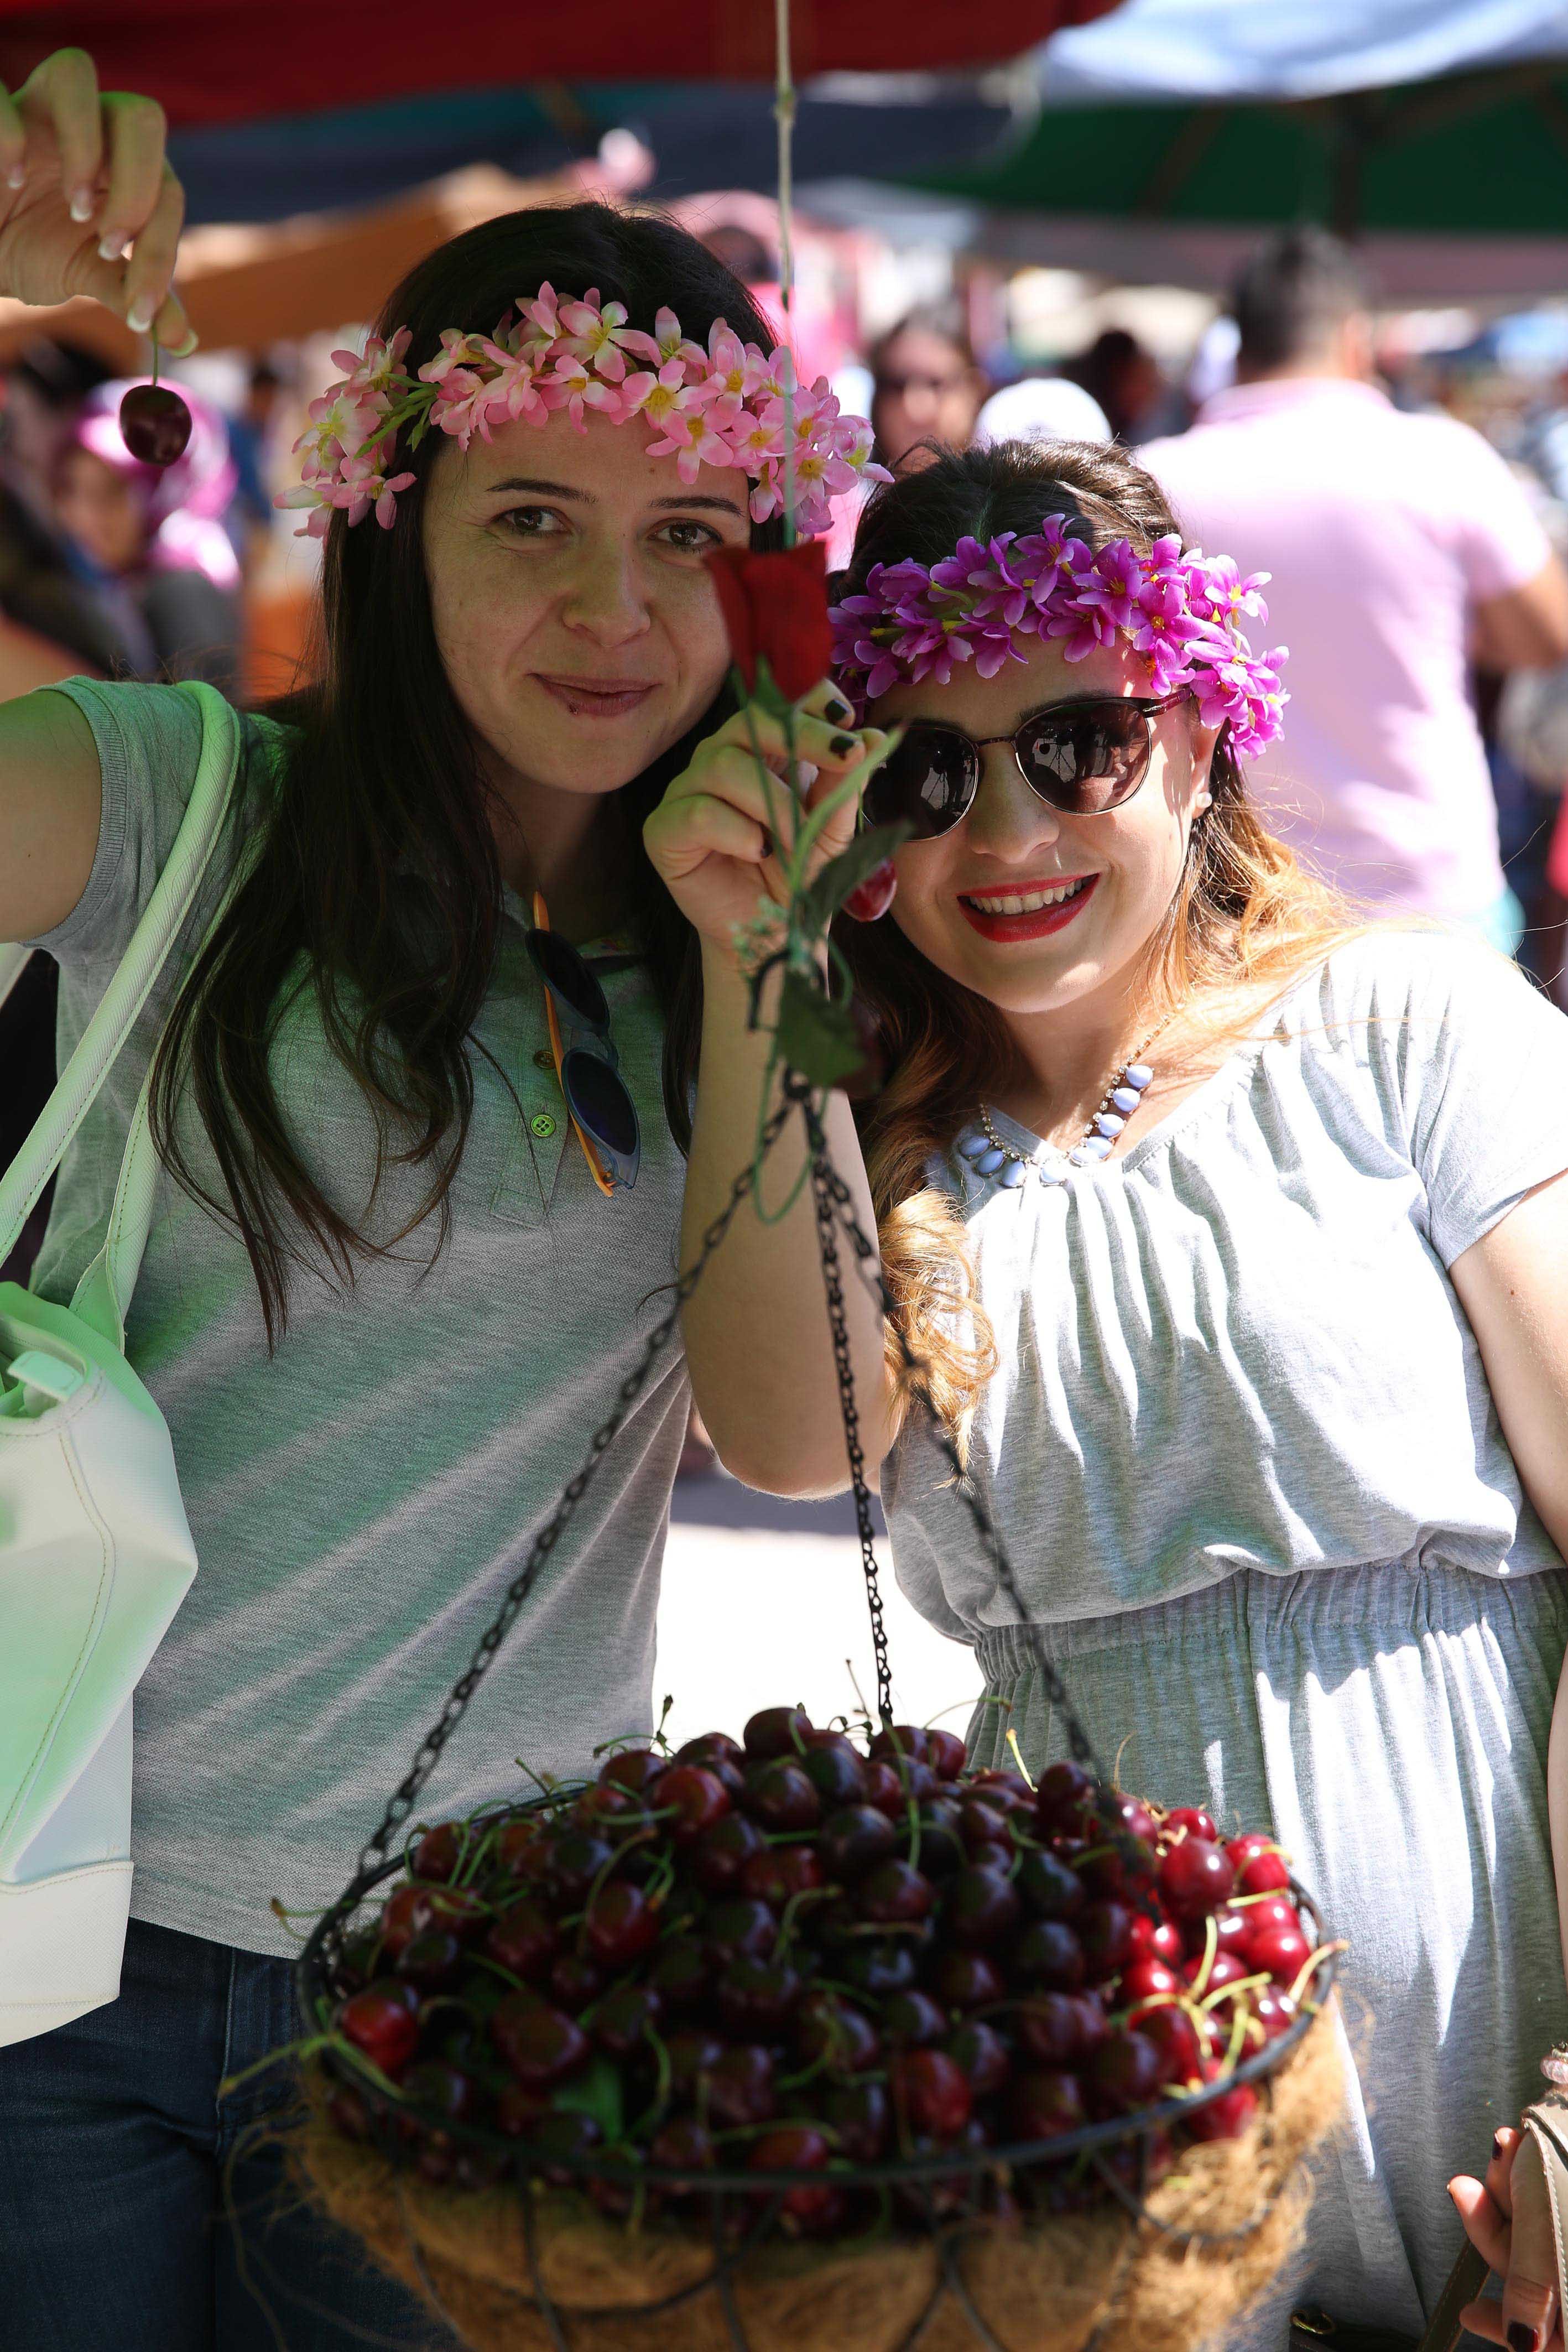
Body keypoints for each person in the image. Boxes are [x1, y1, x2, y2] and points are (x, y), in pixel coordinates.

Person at [0, 48, 883, 2351]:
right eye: (531, 520)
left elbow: (806, 1445)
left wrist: (749, 955)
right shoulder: (177, 802)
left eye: (689, 535)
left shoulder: (743, 922)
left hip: (488, 1987)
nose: (616, 608)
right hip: (43, 1929)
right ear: (400, 527)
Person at [669, 436, 1568, 2348]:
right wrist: (762, 960)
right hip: (1100, 2125)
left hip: (1513, 2102)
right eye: (921, 767)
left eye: (1075, 739)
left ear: (1196, 726)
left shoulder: (1406, 1027)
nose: (1004, 835)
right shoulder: (873, 1158)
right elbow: (781, 1435)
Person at [1141, 226, 1568, 952]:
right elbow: (1546, 633)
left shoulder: (1153, 483)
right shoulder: (1440, 459)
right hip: (1430, 905)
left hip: (1234, 910)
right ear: (1353, 337)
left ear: (1239, 344)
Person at [53, 378, 244, 693]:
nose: (86, 517)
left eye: (109, 493)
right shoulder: (141, 578)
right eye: (73, 490)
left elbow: (208, 728)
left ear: (160, 490)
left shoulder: (180, 590)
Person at [868, 300, 988, 475]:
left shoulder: (1014, 497)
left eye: (935, 383)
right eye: (896, 385)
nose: (915, 410)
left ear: (974, 389)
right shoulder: (843, 497)